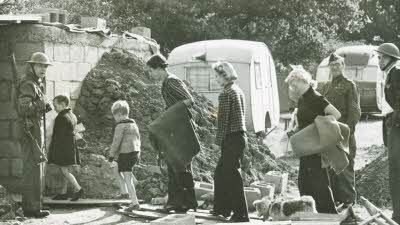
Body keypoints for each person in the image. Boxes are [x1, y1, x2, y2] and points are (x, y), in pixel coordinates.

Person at [285, 65, 341, 214]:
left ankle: (330, 215)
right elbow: (304, 121)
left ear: (303, 80)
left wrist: (317, 130)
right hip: (305, 147)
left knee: (319, 183)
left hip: (315, 147)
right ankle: (309, 215)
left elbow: (336, 115)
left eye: (293, 83)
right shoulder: (302, 99)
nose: (292, 87)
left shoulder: (317, 98)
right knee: (304, 184)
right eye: (290, 84)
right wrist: (295, 130)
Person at [146, 53, 197, 213]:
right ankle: (179, 202)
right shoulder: (166, 82)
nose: (150, 74)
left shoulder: (172, 81)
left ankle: (183, 203)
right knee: (174, 166)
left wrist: (167, 117)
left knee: (179, 166)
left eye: (151, 71)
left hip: (180, 130)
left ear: (159, 68)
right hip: (174, 130)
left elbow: (189, 100)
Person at [211, 61, 249, 222]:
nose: (215, 79)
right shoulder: (237, 90)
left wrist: (217, 143)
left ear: (224, 75)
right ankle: (222, 208)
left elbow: (223, 122)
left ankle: (240, 214)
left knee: (232, 176)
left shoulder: (226, 93)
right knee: (220, 173)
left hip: (231, 138)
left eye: (216, 76)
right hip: (239, 137)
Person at [322, 53, 361, 207]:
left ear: (343, 66)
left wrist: (347, 132)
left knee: (345, 168)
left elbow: (355, 112)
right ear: (329, 68)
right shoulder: (326, 86)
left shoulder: (349, 85)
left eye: (338, 64)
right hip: (329, 134)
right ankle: (337, 200)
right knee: (331, 169)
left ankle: (349, 202)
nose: (335, 67)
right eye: (332, 65)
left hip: (344, 133)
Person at [17, 52, 53, 217]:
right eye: (40, 65)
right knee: (31, 169)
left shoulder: (37, 84)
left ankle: (34, 206)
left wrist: (43, 105)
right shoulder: (28, 84)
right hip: (29, 131)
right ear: (31, 66)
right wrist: (41, 103)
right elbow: (24, 109)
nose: (43, 69)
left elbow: (36, 107)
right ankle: (31, 208)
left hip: (35, 129)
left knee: (36, 168)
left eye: (45, 66)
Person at [376, 43, 400, 224]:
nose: (379, 60)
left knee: (396, 172)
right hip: (392, 126)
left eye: (382, 57)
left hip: (397, 127)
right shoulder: (390, 73)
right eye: (378, 57)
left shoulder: (397, 72)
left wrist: (394, 122)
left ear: (391, 58)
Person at [48, 95, 83, 201]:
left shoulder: (61, 117)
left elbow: (58, 136)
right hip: (70, 147)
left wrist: (52, 151)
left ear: (63, 104)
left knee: (64, 171)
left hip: (63, 148)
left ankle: (79, 189)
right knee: (64, 170)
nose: (54, 108)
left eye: (55, 105)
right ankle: (63, 193)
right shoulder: (72, 115)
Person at [108, 100, 141, 211]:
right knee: (116, 170)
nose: (115, 119)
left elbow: (116, 142)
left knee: (128, 178)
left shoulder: (120, 126)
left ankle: (135, 203)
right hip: (134, 153)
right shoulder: (133, 124)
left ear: (120, 114)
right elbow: (138, 140)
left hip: (126, 154)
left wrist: (111, 156)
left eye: (115, 116)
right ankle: (124, 193)